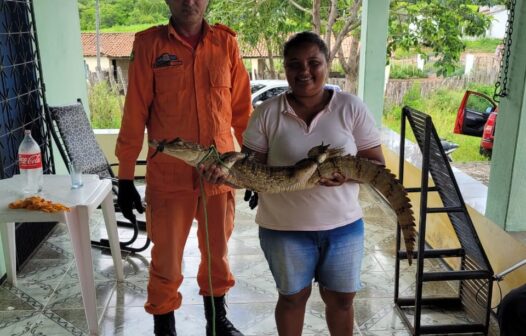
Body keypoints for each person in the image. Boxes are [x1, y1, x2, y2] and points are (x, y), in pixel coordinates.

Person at [202, 31, 385, 335]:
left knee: (341, 300)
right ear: (284, 68)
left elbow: (376, 164)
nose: (304, 71)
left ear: (327, 64)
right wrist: (223, 174)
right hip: (283, 229)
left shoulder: (351, 107)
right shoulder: (266, 112)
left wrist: (346, 177)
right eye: (294, 64)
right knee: (292, 298)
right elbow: (249, 168)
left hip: (343, 228)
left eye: (314, 62)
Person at [115, 1, 251, 335]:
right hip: (169, 176)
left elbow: (243, 111)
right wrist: (127, 176)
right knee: (166, 260)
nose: (189, 2)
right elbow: (134, 113)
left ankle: (216, 319)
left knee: (218, 254)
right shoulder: (149, 45)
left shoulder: (226, 43)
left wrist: (252, 168)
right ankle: (165, 325)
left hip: (218, 174)